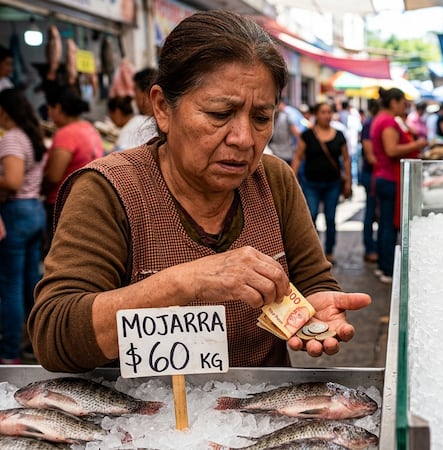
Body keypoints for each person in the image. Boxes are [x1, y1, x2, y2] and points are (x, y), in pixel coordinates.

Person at [29, 10, 370, 373]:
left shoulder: (272, 180)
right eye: (220, 113)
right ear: (162, 108)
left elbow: (312, 279)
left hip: (259, 416)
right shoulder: (109, 190)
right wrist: (184, 283)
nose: (243, 139)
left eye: (260, 118)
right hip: (139, 418)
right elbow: (55, 335)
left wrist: (315, 304)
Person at [0, 89, 47, 364]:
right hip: (34, 212)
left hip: (16, 213)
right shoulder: (32, 135)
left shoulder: (12, 139)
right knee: (31, 283)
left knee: (10, 286)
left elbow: (14, 181)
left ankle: (9, 354)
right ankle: (37, 344)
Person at [371, 88, 427, 283]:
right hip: (389, 178)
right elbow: (392, 149)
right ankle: (387, 268)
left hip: (385, 176)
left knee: (385, 224)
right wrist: (418, 144)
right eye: (403, 103)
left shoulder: (385, 119)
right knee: (388, 226)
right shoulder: (387, 121)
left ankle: (384, 266)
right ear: (393, 102)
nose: (404, 107)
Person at [42, 87, 104, 251]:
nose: (49, 114)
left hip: (63, 204)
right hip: (88, 199)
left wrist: (39, 187)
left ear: (58, 108)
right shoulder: (89, 128)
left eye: (50, 108)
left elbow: (54, 176)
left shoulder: (66, 134)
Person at [292, 102, 351, 264]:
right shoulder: (307, 135)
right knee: (311, 217)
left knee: (330, 218)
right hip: (311, 183)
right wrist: (292, 179)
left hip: (333, 184)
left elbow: (346, 159)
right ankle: (314, 252)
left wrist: (348, 182)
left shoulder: (339, 135)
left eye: (329, 112)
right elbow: (298, 156)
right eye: (323, 112)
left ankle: (329, 251)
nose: (327, 115)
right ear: (316, 115)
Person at [359, 99, 379, 263]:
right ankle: (369, 248)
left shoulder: (373, 122)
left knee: (374, 212)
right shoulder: (370, 124)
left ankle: (374, 247)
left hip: (375, 173)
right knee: (371, 212)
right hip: (371, 174)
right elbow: (369, 153)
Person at [268, 98, 301, 165]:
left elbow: (297, 134)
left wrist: (298, 151)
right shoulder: (271, 116)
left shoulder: (287, 116)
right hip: (273, 153)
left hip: (286, 155)